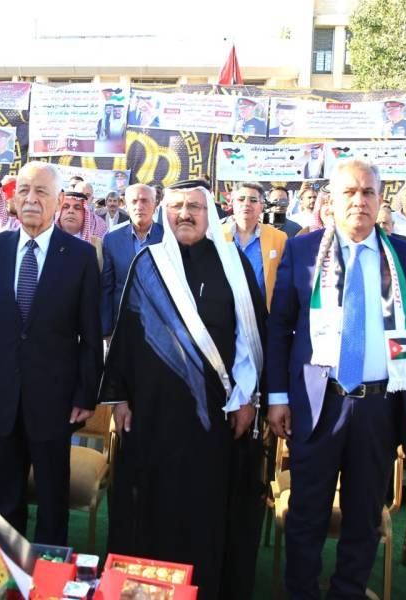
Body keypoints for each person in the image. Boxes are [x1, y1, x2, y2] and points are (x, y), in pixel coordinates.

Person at [266, 158, 406, 599]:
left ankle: (348, 591)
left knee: (364, 517)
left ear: (380, 199)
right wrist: (277, 396)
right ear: (331, 202)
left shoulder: (405, 257)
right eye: (349, 193)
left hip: (380, 407)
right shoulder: (303, 251)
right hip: (318, 404)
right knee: (307, 513)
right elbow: (280, 326)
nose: (359, 201)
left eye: (368, 192)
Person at [102, 178, 266, 599]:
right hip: (153, 414)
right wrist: (121, 396)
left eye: (195, 206)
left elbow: (250, 339)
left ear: (210, 214)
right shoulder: (148, 262)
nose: (185, 214)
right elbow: (128, 332)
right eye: (176, 207)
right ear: (165, 213)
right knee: (150, 505)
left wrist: (247, 398)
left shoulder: (233, 264)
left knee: (204, 508)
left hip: (214, 417)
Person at [0, 161, 102, 545]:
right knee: (3, 500)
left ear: (58, 200)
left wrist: (86, 394)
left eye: (41, 191)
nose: (31, 199)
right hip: (0, 396)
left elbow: (90, 334)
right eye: (23, 190)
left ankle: (48, 572)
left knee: (52, 501)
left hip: (55, 401)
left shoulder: (80, 257)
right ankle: (5, 569)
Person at [100, 183, 163, 338]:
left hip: (161, 326)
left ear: (155, 205)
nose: (139, 206)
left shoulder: (168, 238)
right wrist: (106, 329)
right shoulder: (112, 240)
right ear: (126, 207)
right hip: (122, 325)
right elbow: (107, 287)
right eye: (134, 201)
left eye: (145, 201)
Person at [222, 182, 288, 308]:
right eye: (241, 199)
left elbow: (285, 281)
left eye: (253, 200)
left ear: (262, 206)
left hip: (263, 312)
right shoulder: (216, 235)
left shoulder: (279, 238)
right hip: (224, 311)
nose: (246, 204)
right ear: (232, 203)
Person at [55, 190, 105, 266]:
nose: (71, 211)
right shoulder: (46, 240)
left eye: (77, 208)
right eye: (66, 207)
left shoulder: (96, 244)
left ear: (84, 214)